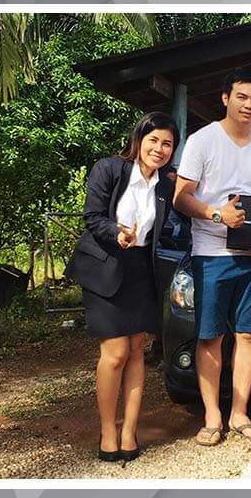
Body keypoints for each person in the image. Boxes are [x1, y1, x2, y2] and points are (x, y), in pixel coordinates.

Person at [172, 68, 251, 446]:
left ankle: (240, 413)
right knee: (211, 337)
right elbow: (181, 197)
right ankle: (212, 416)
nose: (249, 105)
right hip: (211, 253)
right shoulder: (202, 141)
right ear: (225, 98)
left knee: (249, 335)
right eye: (242, 97)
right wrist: (216, 214)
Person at [64, 112, 179, 462]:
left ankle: (129, 430)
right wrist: (116, 232)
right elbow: (92, 216)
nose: (159, 149)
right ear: (139, 140)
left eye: (167, 144)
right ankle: (107, 430)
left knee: (136, 351)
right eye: (153, 140)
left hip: (141, 271)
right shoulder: (109, 169)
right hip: (105, 266)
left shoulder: (166, 184)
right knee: (115, 353)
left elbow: (180, 218)